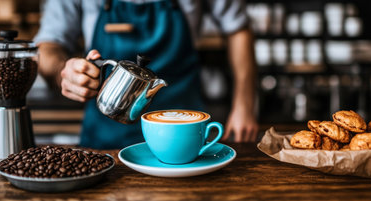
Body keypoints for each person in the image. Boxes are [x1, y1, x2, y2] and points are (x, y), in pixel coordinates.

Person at [34, 0, 259, 149]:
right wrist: (62, 71)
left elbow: (238, 28)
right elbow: (48, 45)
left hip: (183, 129)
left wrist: (244, 106)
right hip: (106, 136)